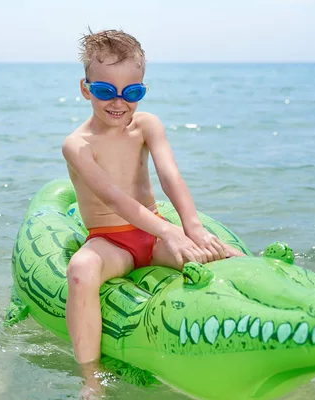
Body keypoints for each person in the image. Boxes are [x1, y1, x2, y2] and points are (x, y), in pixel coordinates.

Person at [61, 29, 244, 398]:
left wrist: (191, 228)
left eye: (132, 92)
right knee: (80, 271)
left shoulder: (147, 125)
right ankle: (90, 378)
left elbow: (170, 176)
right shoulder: (77, 145)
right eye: (104, 91)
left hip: (153, 234)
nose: (118, 102)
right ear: (85, 89)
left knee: (224, 256)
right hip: (110, 242)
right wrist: (168, 232)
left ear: (143, 90)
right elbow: (114, 199)